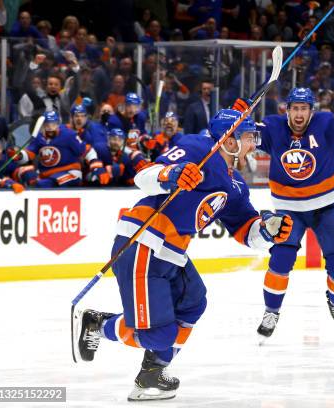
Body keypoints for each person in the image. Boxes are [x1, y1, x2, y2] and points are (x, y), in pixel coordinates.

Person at [72, 109, 293, 401]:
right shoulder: (197, 148)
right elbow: (144, 177)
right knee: (159, 335)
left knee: (193, 302)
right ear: (229, 140)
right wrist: (171, 174)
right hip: (143, 242)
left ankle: (152, 373)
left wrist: (267, 232)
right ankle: (98, 324)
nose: (254, 144)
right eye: (249, 137)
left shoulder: (236, 184)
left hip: (172, 253)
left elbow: (245, 229)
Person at [234, 61, 334, 341]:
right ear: (287, 110)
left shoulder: (326, 124)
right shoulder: (273, 128)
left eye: (303, 108)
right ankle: (271, 311)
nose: (298, 114)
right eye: (294, 108)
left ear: (311, 110)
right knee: (281, 261)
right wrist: (236, 115)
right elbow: (241, 133)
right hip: (289, 210)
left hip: (326, 207)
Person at [9, 111, 107, 187]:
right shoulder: (39, 137)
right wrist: (19, 155)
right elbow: (29, 153)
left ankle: (38, 186)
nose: (51, 128)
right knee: (24, 171)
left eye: (53, 124)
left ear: (58, 124)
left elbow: (86, 150)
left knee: (48, 183)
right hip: (46, 175)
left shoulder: (69, 135)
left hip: (70, 173)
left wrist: (97, 166)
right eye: (47, 125)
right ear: (43, 126)